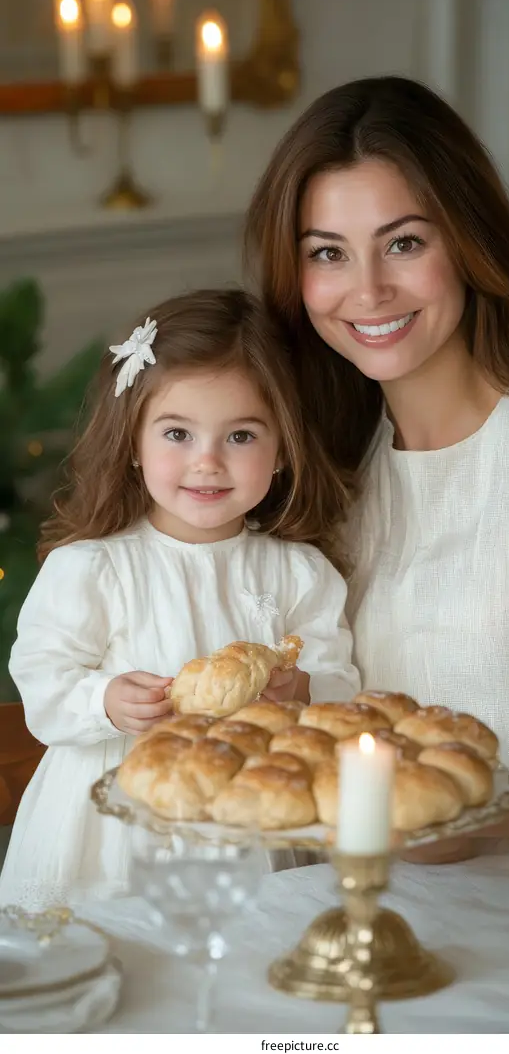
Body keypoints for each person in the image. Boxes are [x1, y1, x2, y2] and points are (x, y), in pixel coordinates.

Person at [244, 76, 509, 879]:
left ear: (470, 242)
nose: (367, 290)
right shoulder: (325, 482)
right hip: (356, 933)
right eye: (327, 253)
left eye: (404, 242)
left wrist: (493, 815)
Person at [0, 289, 359, 908]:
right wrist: (105, 700)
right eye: (177, 433)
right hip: (114, 823)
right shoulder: (93, 567)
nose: (208, 462)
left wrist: (302, 691)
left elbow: (340, 682)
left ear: (282, 451)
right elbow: (42, 681)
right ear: (134, 445)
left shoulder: (299, 574)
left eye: (241, 435)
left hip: (250, 820)